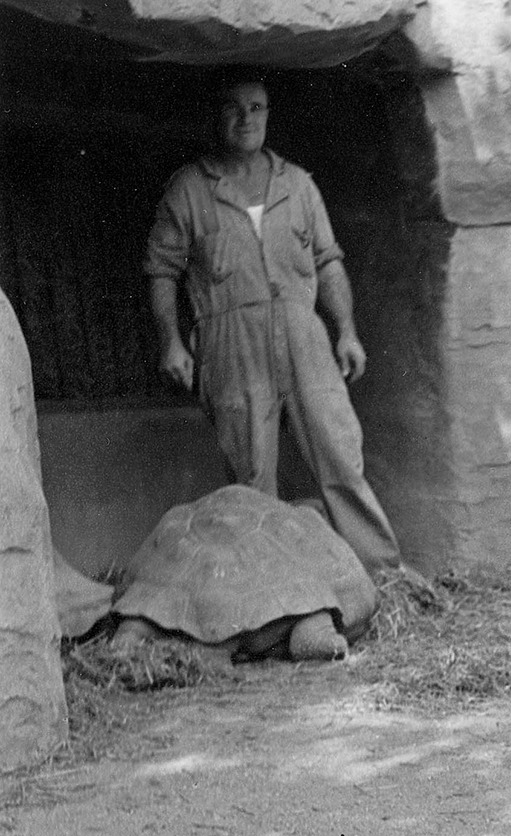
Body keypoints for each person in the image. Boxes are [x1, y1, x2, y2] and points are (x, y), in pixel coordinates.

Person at [143, 71, 402, 573]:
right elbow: (161, 269)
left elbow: (329, 261)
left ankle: (381, 575)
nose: (246, 119)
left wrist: (346, 330)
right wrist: (171, 342)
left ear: (268, 114)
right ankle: (273, 599)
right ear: (216, 116)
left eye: (257, 108)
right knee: (251, 474)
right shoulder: (190, 189)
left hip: (304, 333)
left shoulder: (298, 184)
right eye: (234, 108)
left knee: (339, 455)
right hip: (229, 338)